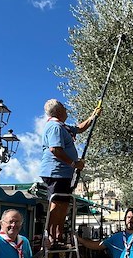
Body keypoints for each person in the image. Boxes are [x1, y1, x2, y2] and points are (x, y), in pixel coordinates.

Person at [40, 98, 99, 248]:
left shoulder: (63, 126)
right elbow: (55, 149)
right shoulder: (55, 127)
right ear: (58, 111)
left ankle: (58, 235)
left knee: (63, 203)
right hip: (56, 172)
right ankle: (51, 237)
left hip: (64, 174)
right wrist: (74, 163)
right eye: (64, 108)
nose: (67, 110)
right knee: (57, 203)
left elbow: (79, 128)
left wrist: (93, 116)